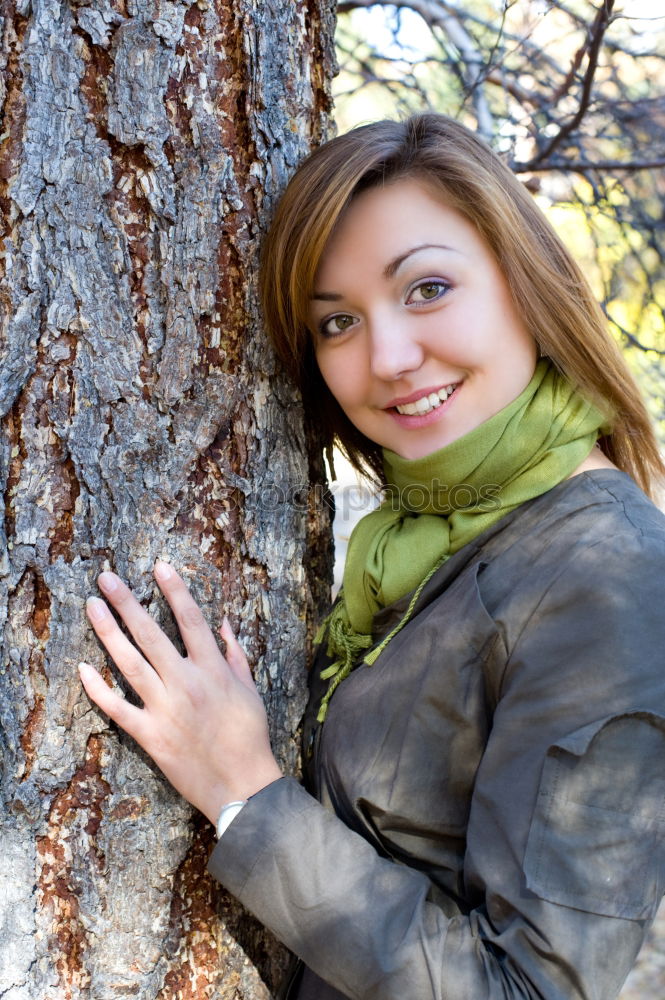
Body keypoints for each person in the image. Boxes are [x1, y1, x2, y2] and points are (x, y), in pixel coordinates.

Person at [79, 114, 665, 1000]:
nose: (387, 357)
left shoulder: (609, 580)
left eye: (427, 287)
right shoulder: (429, 533)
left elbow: (530, 990)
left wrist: (247, 796)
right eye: (337, 322)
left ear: (525, 282)